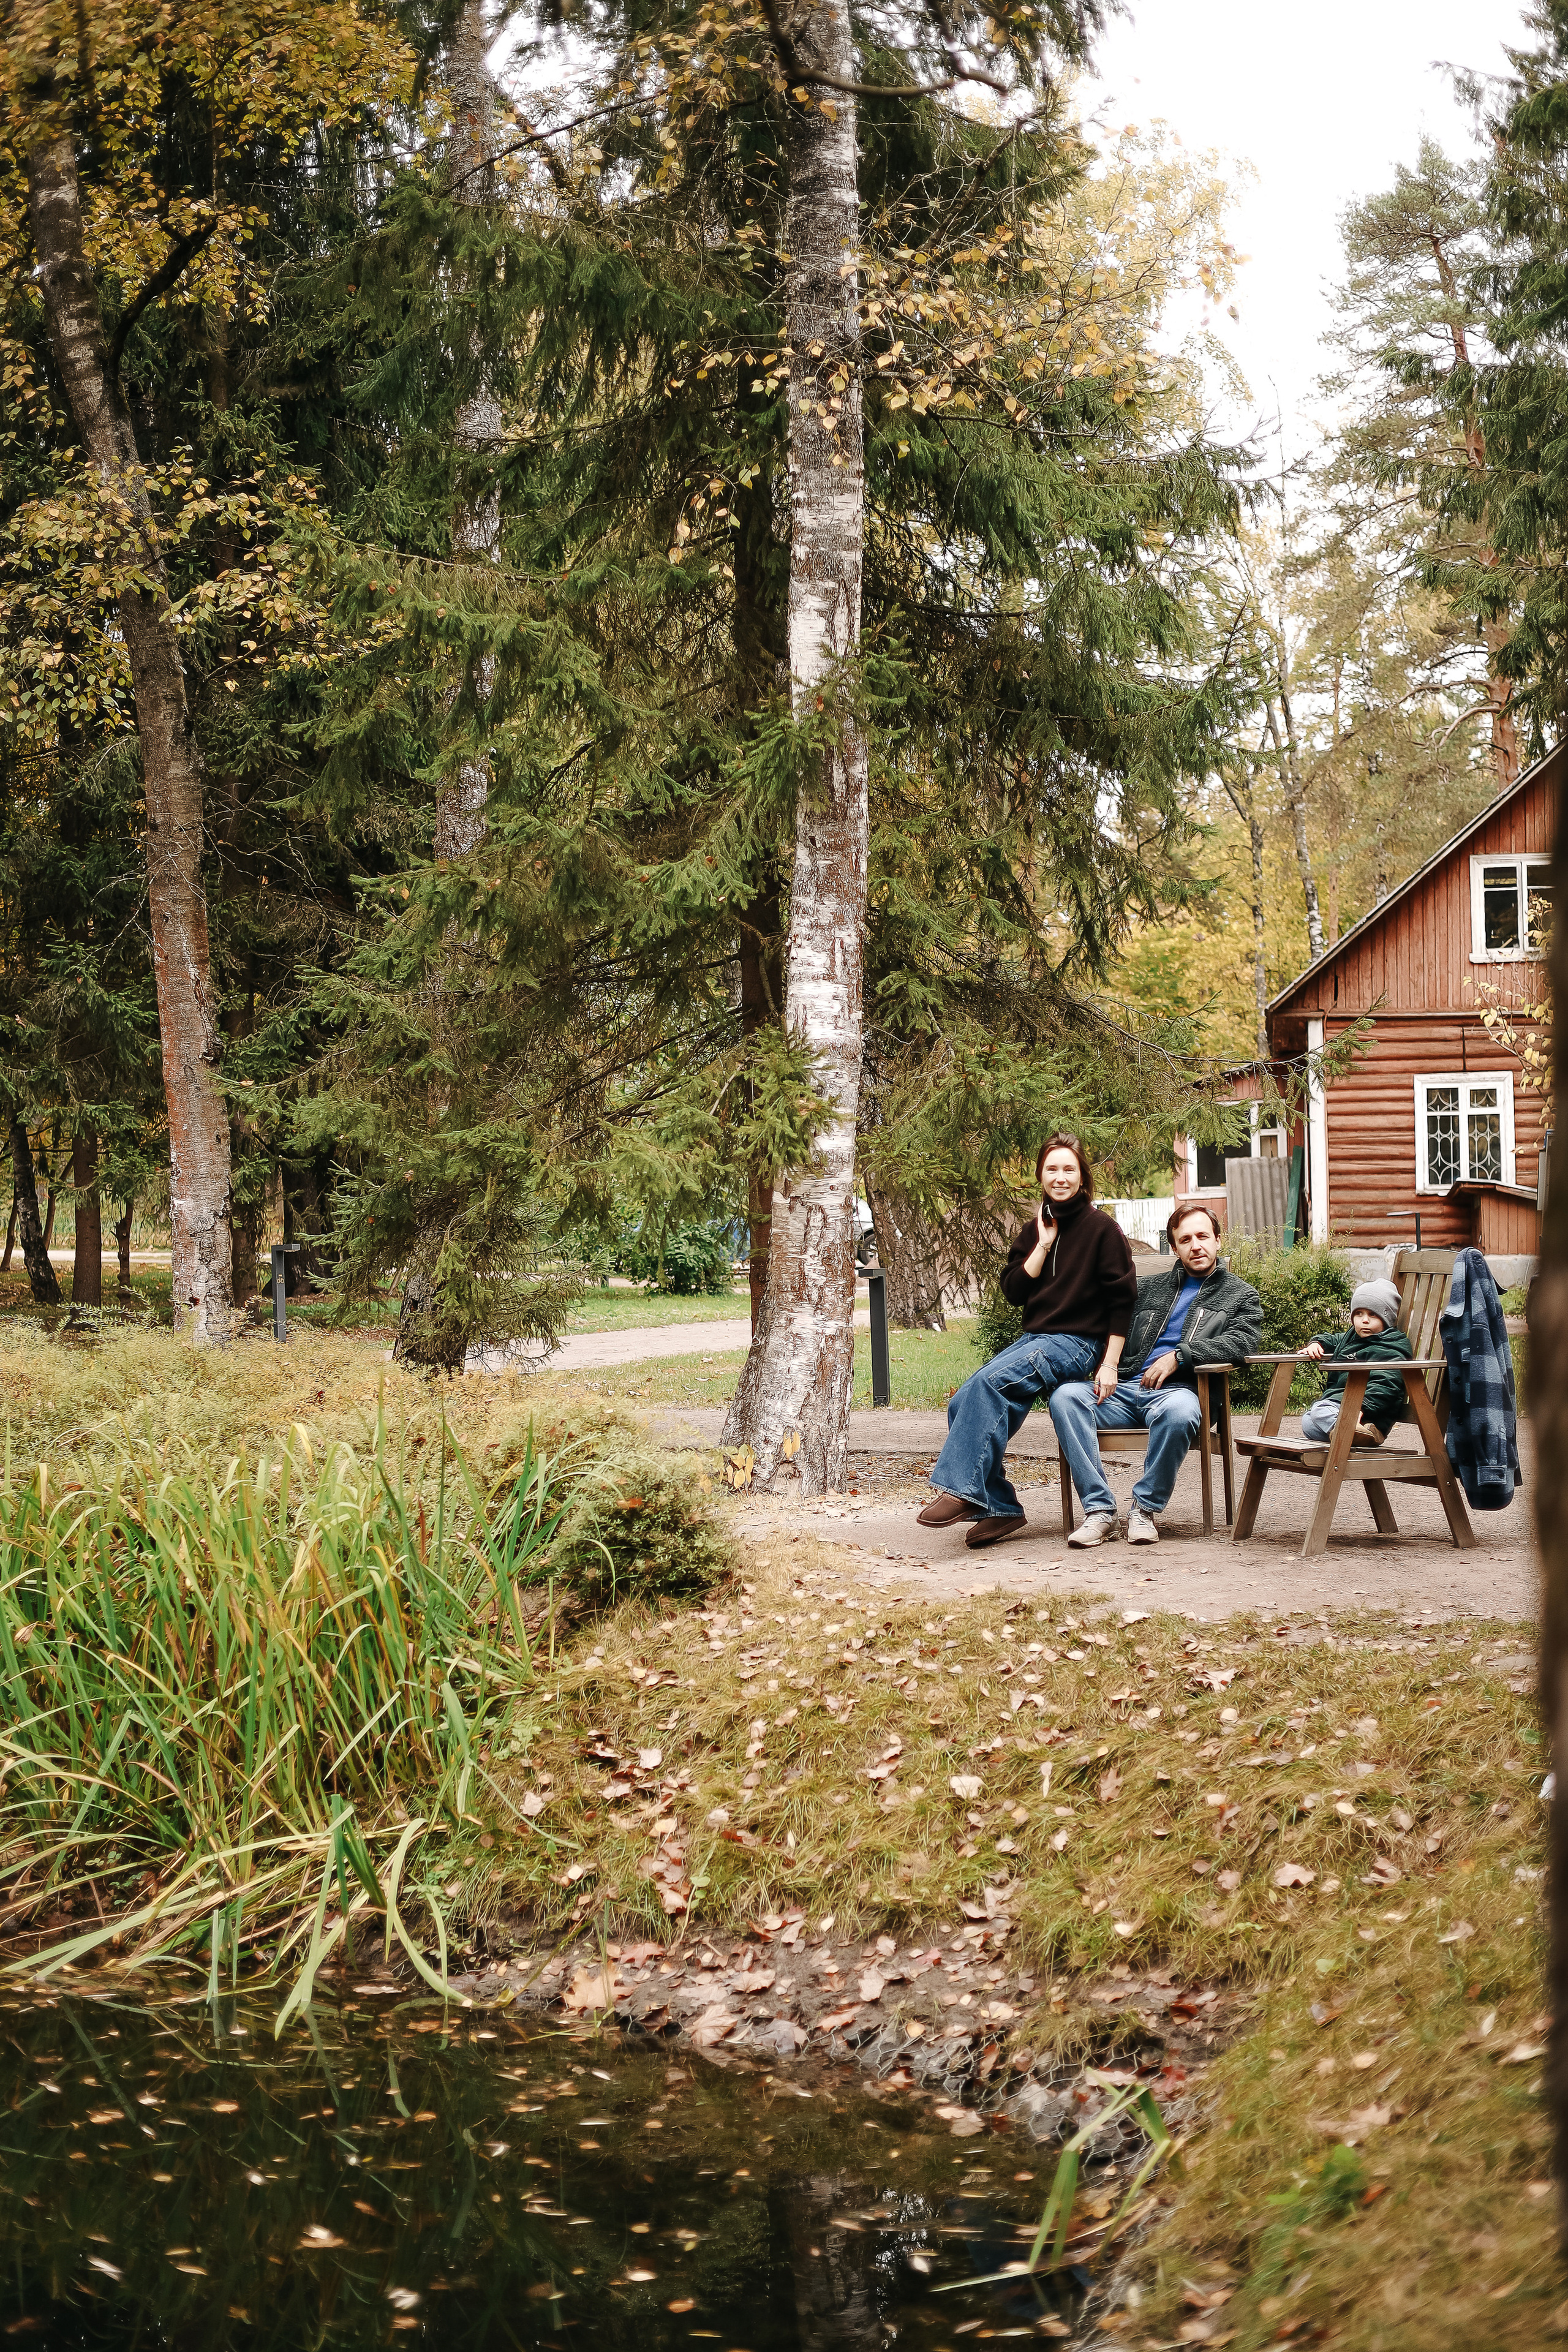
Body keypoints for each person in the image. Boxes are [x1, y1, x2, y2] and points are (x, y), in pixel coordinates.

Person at [916, 1135, 1136, 1550]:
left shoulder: (1103, 1229)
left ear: (1083, 1177)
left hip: (1077, 1344)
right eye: (1052, 1169)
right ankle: (1000, 1507)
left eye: (1069, 1169)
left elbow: (1122, 1300)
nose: (1060, 1177)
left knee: (989, 1385)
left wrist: (1109, 1363)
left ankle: (961, 1489)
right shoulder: (1033, 1231)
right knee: (962, 1400)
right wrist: (1044, 1243)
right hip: (1035, 1340)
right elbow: (1015, 1291)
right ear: (1040, 1175)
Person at [1049, 1201, 1262, 1547]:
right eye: (1186, 1239)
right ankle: (1100, 1510)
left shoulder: (1239, 1294)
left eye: (1203, 1237)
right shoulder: (1148, 1288)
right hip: (1122, 1389)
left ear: (1218, 1241)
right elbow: (1108, 1325)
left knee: (1181, 1412)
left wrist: (1180, 1357)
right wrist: (1107, 1366)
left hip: (1179, 1392)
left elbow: (1243, 1342)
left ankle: (1144, 1509)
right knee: (1065, 1397)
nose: (1196, 1246)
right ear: (1175, 1247)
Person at [1297, 1278, 1412, 1447]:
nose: (1364, 1320)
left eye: (1373, 1314)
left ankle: (1353, 1431)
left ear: (1387, 1319)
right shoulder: (1353, 1337)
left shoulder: (1390, 1350)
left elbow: (1386, 1385)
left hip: (1368, 1413)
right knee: (1308, 1422)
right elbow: (1333, 1339)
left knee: (1320, 1411)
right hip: (1344, 1404)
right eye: (1359, 1314)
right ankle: (1355, 1434)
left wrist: (1361, 1407)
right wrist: (1317, 1343)